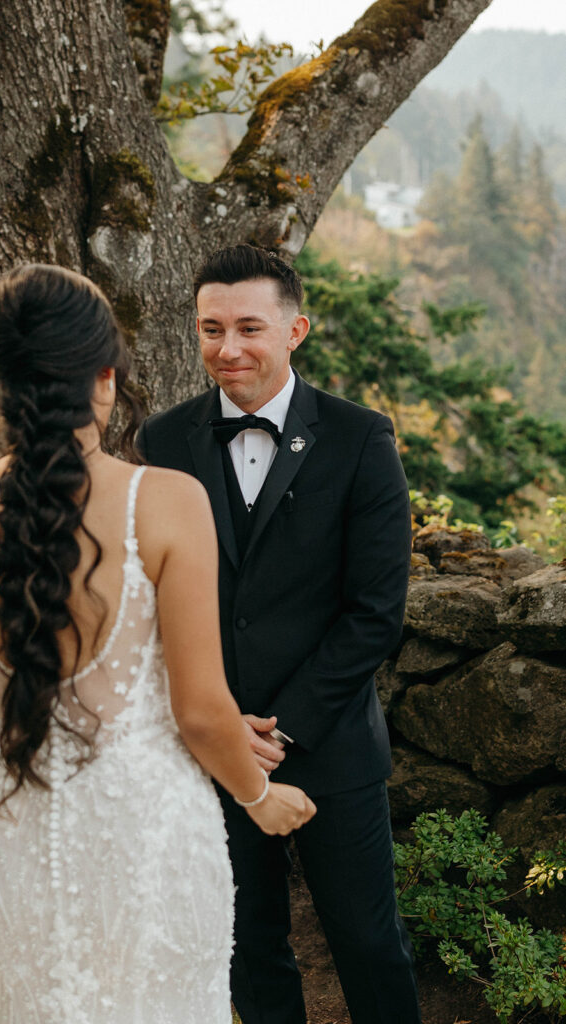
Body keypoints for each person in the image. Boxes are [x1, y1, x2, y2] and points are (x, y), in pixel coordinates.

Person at [0, 263, 315, 1023]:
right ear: (104, 377)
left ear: (4, 378)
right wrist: (258, 796)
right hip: (145, 821)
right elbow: (204, 711)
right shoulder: (169, 500)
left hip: (6, 815)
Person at [136, 245, 422, 1024]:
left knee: (367, 944)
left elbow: (374, 611)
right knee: (245, 948)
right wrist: (220, 725)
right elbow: (152, 603)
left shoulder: (360, 437)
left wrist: (280, 728)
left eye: (249, 328)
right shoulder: (162, 443)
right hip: (208, 747)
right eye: (210, 329)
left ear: (296, 329)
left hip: (330, 744)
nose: (227, 349)